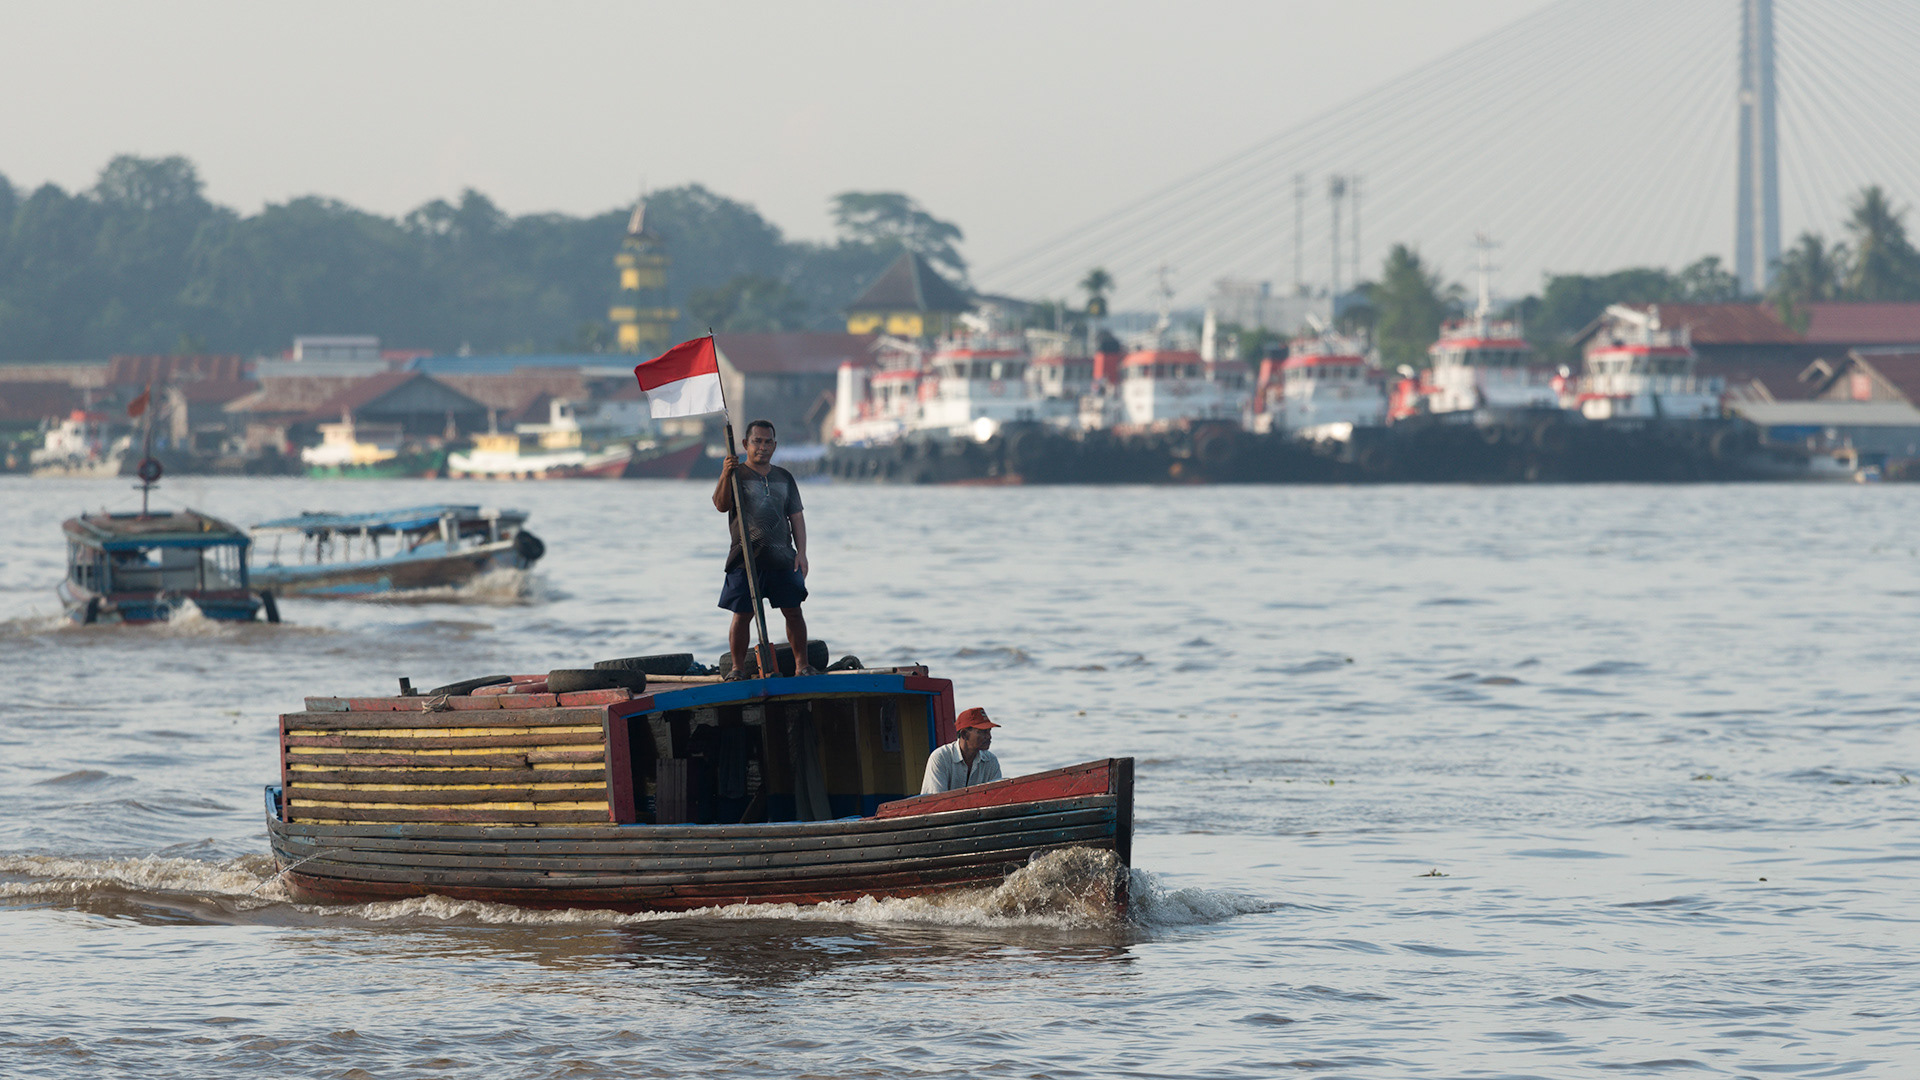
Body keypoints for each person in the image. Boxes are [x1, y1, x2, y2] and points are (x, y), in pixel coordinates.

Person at [713, 418, 813, 679]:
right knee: (742, 614)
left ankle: (802, 665)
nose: (762, 447)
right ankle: (736, 669)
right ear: (746, 444)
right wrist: (725, 473)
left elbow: (797, 517)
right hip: (745, 558)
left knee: (793, 611)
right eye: (757, 441)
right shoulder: (736, 475)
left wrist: (801, 553)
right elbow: (720, 504)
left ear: (775, 445)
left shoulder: (784, 477)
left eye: (768, 442)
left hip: (782, 557)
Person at [921, 707, 1003, 794]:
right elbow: (936, 801)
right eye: (982, 732)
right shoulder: (940, 757)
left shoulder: (991, 761)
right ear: (964, 734)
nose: (989, 736)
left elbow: (996, 795)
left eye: (989, 731)